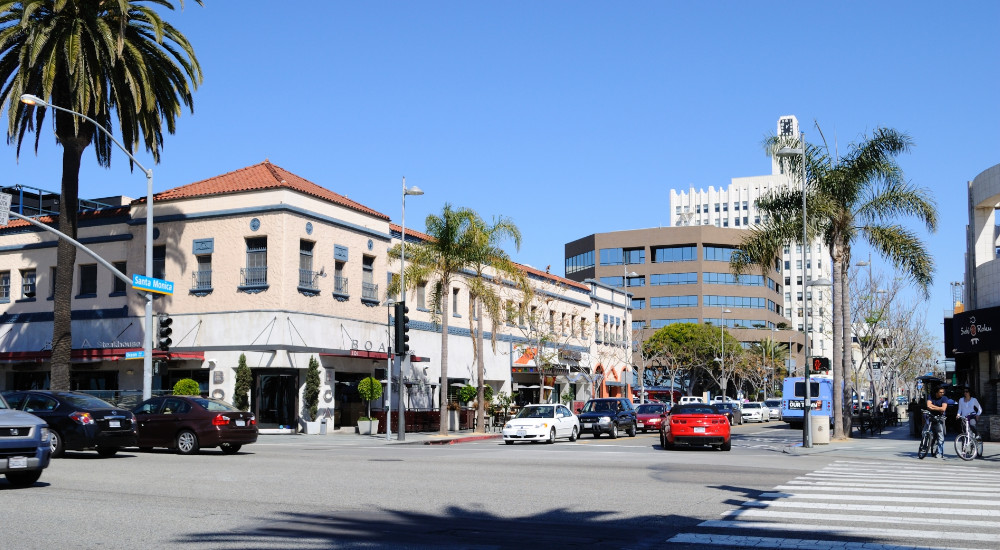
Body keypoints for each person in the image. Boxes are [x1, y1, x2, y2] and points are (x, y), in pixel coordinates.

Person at [926, 386, 956, 459]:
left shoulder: (944, 398)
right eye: (940, 392)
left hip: (940, 418)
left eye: (943, 392)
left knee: (940, 436)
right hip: (931, 417)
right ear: (936, 392)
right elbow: (928, 406)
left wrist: (933, 407)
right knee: (926, 433)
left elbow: (943, 409)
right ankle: (925, 448)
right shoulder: (931, 396)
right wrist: (938, 408)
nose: (942, 393)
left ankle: (939, 452)